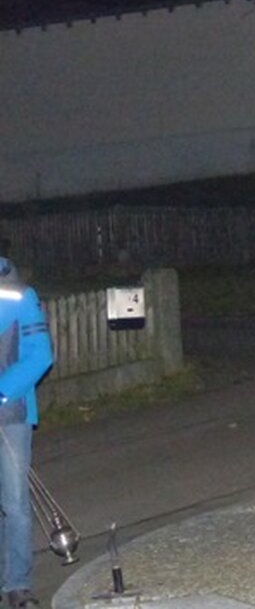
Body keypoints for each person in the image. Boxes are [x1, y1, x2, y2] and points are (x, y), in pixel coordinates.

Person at [0, 257, 54, 609]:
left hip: (10, 414)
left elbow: (40, 355)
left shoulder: (19, 294)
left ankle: (17, 585)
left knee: (15, 504)